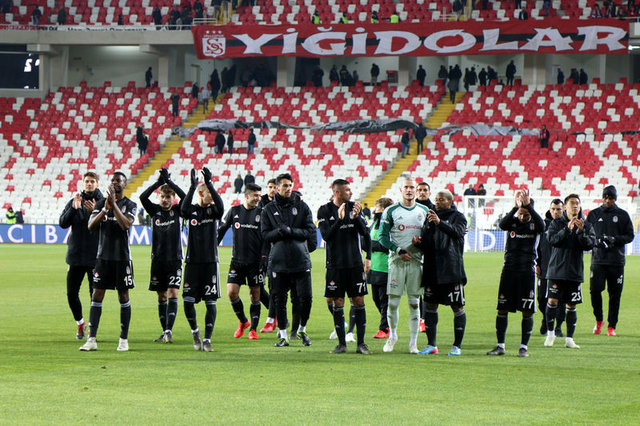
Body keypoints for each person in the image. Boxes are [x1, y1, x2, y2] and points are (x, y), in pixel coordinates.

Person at [81, 172, 137, 352]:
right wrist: (105, 209)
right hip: (103, 257)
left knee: (123, 296)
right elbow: (91, 226)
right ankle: (91, 339)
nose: (115, 182)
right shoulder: (100, 204)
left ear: (125, 184)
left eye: (118, 180)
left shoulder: (131, 205)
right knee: (96, 295)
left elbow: (125, 225)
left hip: (122, 258)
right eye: (112, 180)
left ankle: (123, 340)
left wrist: (114, 206)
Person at [486, 189, 544, 357]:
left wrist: (528, 207)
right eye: (520, 213)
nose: (522, 217)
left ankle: (523, 347)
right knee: (502, 308)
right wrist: (515, 207)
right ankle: (500, 346)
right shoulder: (511, 222)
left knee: (527, 310)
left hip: (527, 271)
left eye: (526, 214)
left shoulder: (535, 225)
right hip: (509, 270)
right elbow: (502, 225)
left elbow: (543, 226)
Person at [317, 179, 372, 354]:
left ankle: (361, 344)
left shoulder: (355, 208)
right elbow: (326, 236)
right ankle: (341, 344)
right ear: (337, 192)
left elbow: (365, 232)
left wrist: (356, 218)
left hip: (355, 264)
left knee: (359, 300)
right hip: (335, 265)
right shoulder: (324, 210)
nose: (351, 192)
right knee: (338, 301)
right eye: (347, 190)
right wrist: (340, 221)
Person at [261, 173, 316, 347]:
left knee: (306, 298)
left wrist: (291, 231)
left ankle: (301, 329)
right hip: (279, 262)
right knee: (279, 300)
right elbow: (264, 235)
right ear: (277, 187)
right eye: (285, 185)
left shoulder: (302, 207)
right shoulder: (268, 209)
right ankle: (283, 335)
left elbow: (309, 231)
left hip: (301, 261)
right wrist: (279, 232)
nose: (288, 188)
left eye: (290, 185)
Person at [378, 177, 430, 354]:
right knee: (393, 303)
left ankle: (413, 343)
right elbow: (382, 237)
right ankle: (392, 336)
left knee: (414, 303)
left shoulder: (424, 211)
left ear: (416, 190)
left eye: (412, 187)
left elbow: (430, 237)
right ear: (401, 190)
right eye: (406, 187)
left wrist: (421, 243)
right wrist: (398, 250)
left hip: (416, 262)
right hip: (396, 262)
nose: (409, 190)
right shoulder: (391, 211)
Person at [414, 189, 468, 356]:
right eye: (436, 199)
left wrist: (439, 223)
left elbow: (457, 233)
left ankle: (457, 346)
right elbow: (428, 243)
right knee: (430, 306)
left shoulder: (458, 217)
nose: (437, 202)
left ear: (450, 202)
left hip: (451, 269)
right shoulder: (430, 218)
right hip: (432, 269)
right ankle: (431, 345)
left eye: (441, 199)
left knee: (457, 306)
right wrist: (418, 243)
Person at [544, 194, 596, 349]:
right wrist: (567, 229)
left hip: (574, 271)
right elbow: (552, 240)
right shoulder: (556, 223)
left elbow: (590, 244)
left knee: (572, 305)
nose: (575, 206)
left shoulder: (586, 225)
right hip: (556, 270)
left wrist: (580, 232)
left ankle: (569, 339)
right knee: (552, 301)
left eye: (577, 203)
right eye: (572, 203)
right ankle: (550, 334)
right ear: (565, 206)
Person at [140, 168, 186, 343]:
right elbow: (142, 197)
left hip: (175, 260)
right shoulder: (154, 211)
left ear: (173, 199)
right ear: (159, 197)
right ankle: (165, 331)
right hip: (158, 260)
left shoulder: (179, 211)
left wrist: (170, 183)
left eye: (168, 197)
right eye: (162, 196)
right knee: (161, 296)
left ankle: (168, 331)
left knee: (173, 293)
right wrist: (158, 183)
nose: (165, 200)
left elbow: (186, 197)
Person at [180, 168, 224, 351]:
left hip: (210, 263)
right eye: (209, 193)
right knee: (188, 301)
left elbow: (221, 207)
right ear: (200, 194)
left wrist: (210, 184)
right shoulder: (192, 211)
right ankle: (195, 332)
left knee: (210, 302)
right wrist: (192, 187)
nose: (212, 197)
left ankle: (207, 339)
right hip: (192, 263)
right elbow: (183, 209)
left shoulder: (213, 211)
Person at [218, 183, 269, 340]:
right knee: (231, 293)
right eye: (255, 195)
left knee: (255, 295)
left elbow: (266, 238)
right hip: (237, 261)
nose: (258, 198)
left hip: (255, 262)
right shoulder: (234, 211)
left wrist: (264, 258)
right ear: (247, 196)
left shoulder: (262, 213)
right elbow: (222, 230)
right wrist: (212, 245)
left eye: (259, 195)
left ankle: (253, 330)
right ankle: (243, 321)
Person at [59, 172, 104, 340]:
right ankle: (80, 323)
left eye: (92, 181)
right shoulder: (75, 201)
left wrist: (95, 213)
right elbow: (62, 223)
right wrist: (73, 209)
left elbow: (108, 226)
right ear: (83, 183)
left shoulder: (103, 202)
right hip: (76, 256)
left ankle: (92, 328)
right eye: (87, 181)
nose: (89, 184)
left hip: (95, 257)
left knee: (95, 296)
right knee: (71, 294)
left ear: (97, 184)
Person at [586, 186, 634, 336]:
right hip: (598, 261)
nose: (608, 201)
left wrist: (615, 239)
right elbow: (586, 235)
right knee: (594, 291)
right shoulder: (593, 214)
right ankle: (599, 320)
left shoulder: (623, 215)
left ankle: (611, 326)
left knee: (615, 295)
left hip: (616, 262)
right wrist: (596, 241)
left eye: (611, 198)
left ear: (615, 199)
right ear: (602, 197)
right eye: (605, 197)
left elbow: (630, 236)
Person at [536, 199, 565, 335]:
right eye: (553, 209)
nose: (556, 212)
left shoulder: (567, 224)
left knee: (560, 299)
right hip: (544, 267)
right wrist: (537, 263)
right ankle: (546, 318)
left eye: (558, 209)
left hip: (561, 268)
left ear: (563, 210)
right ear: (549, 209)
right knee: (541, 298)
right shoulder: (543, 225)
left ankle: (557, 326)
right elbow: (537, 246)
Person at [368, 197, 394, 339]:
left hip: (386, 267)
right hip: (374, 266)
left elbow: (386, 245)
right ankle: (389, 322)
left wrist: (371, 245)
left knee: (384, 301)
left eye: (377, 207)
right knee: (376, 299)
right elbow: (366, 240)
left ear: (383, 209)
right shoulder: (375, 223)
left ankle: (384, 328)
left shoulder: (390, 224)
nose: (374, 210)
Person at [257, 178, 278, 332]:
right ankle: (275, 314)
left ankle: (272, 318)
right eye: (270, 187)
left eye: (274, 187)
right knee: (257, 286)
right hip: (260, 250)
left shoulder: (281, 204)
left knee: (274, 286)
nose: (272, 190)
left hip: (275, 250)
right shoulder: (260, 202)